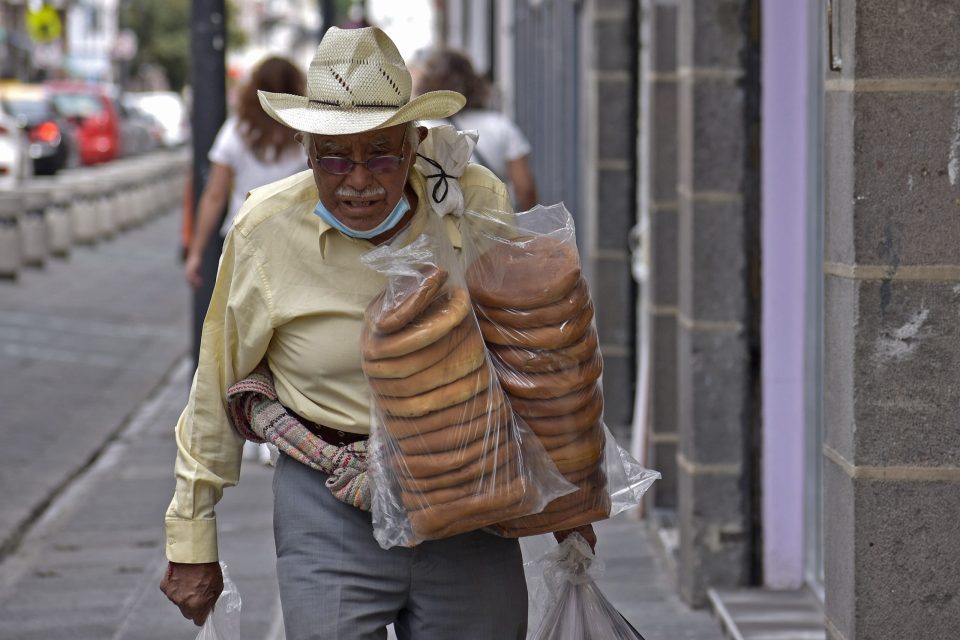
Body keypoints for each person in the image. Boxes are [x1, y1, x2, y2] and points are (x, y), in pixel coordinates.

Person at [159, 27, 593, 639]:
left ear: (416, 144)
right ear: (307, 149)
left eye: (381, 154)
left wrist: (571, 495)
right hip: (327, 505)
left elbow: (532, 355)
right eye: (334, 157)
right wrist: (191, 535)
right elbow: (215, 383)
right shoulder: (263, 231)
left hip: (468, 492)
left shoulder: (473, 201)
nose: (357, 180)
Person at [182, 56, 306, 465]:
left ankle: (248, 426)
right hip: (295, 247)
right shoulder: (303, 128)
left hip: (243, 248)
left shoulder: (236, 131)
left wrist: (198, 250)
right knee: (286, 341)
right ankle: (282, 425)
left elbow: (215, 194)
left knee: (240, 343)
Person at [410, 47, 539, 210]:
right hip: (493, 226)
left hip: (439, 229)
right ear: (473, 83)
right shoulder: (499, 125)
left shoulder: (422, 129)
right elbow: (525, 188)